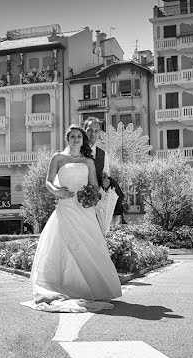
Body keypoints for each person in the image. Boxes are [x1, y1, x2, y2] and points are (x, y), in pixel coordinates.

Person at [22, 125, 122, 313]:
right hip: (66, 206)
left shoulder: (88, 161)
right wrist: (56, 191)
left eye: (79, 136)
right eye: (72, 136)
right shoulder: (58, 158)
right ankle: (63, 286)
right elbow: (48, 181)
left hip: (84, 209)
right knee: (63, 247)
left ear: (83, 140)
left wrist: (91, 196)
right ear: (67, 138)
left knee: (89, 246)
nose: (76, 139)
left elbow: (93, 185)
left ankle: (93, 287)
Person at [84, 117, 119, 234]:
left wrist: (106, 183)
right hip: (77, 202)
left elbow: (106, 177)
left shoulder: (104, 155)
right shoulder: (76, 151)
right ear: (84, 131)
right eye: (89, 130)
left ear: (99, 133)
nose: (92, 134)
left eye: (96, 131)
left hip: (95, 204)